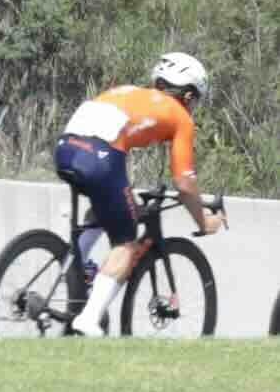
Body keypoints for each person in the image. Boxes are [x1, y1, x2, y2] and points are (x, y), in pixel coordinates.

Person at [51, 51, 219, 331]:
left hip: (65, 150)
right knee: (126, 244)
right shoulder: (180, 116)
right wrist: (204, 221)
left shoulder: (126, 92)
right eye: (196, 100)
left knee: (107, 207)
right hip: (100, 158)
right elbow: (184, 183)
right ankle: (88, 320)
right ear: (189, 95)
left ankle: (74, 268)